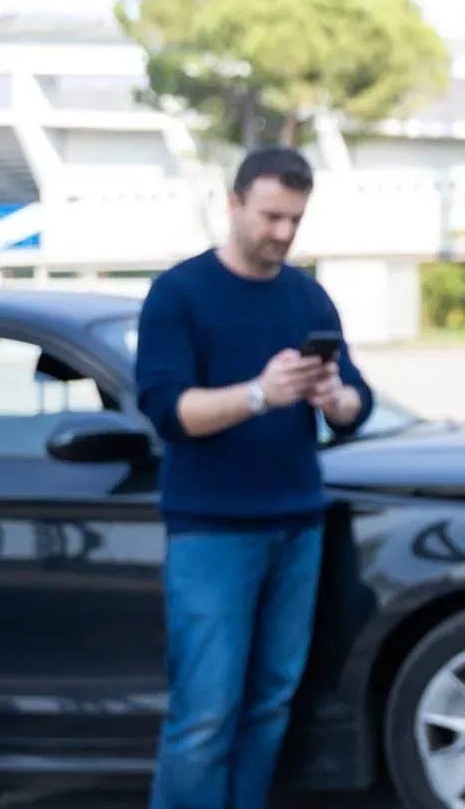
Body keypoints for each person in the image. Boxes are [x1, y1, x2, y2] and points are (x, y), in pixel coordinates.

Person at [135, 145, 374, 809]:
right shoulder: (178, 293)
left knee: (270, 705)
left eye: (295, 219)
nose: (283, 232)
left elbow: (357, 405)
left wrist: (332, 397)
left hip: (297, 528)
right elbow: (168, 411)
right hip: (211, 533)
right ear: (233, 202)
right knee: (205, 715)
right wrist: (261, 394)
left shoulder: (307, 296)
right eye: (271, 216)